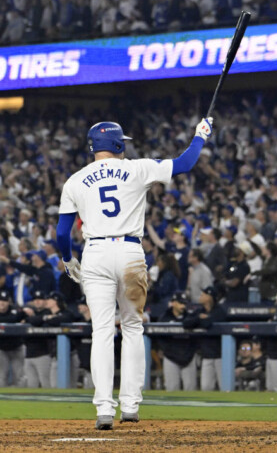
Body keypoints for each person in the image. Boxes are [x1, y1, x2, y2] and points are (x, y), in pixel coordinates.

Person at [56, 117, 213, 430]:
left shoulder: (75, 180)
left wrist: (67, 258)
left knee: (101, 331)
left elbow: (62, 232)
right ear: (117, 144)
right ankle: (130, 406)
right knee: (132, 328)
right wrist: (200, 135)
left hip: (95, 253)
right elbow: (184, 163)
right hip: (129, 251)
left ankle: (103, 409)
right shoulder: (136, 167)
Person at [183, 285, 226, 391]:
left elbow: (207, 324)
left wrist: (202, 320)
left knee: (225, 388)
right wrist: (199, 318)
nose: (201, 296)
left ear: (210, 297)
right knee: (206, 387)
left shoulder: (219, 311)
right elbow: (186, 323)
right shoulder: (199, 311)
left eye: (204, 294)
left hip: (221, 356)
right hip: (206, 355)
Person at [0, 290, 26, 387]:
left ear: (9, 302)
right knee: (1, 377)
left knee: (20, 377)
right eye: (0, 300)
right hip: (1, 348)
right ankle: (1, 400)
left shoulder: (15, 309)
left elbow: (16, 318)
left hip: (17, 347)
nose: (2, 303)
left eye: (5, 301)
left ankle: (22, 399)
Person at [158, 291, 198, 392]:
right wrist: (167, 351)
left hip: (188, 357)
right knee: (172, 389)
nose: (183, 305)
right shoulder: (164, 318)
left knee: (190, 390)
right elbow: (160, 338)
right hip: (171, 357)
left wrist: (191, 352)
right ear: (174, 303)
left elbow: (196, 338)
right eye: (180, 302)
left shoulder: (190, 317)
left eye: (184, 303)